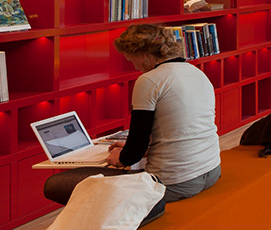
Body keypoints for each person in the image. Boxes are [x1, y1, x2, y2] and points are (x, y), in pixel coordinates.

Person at [44, 23, 222, 211]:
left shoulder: (149, 80)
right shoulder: (197, 73)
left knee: (55, 184)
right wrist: (134, 149)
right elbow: (182, 131)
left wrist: (120, 158)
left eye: (131, 59)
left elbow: (135, 148)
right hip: (211, 171)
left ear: (143, 54)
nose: (135, 66)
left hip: (173, 183)